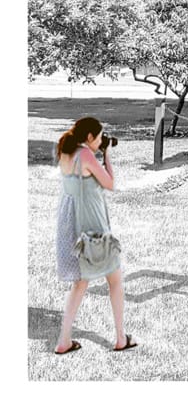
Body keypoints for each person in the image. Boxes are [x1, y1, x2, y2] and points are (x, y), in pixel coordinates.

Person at [54, 116, 137, 354]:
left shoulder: (65, 152)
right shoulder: (86, 155)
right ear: (90, 137)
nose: (101, 142)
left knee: (80, 284)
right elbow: (110, 183)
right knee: (115, 280)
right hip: (93, 225)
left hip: (73, 226)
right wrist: (107, 154)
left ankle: (63, 341)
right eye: (99, 138)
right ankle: (120, 338)